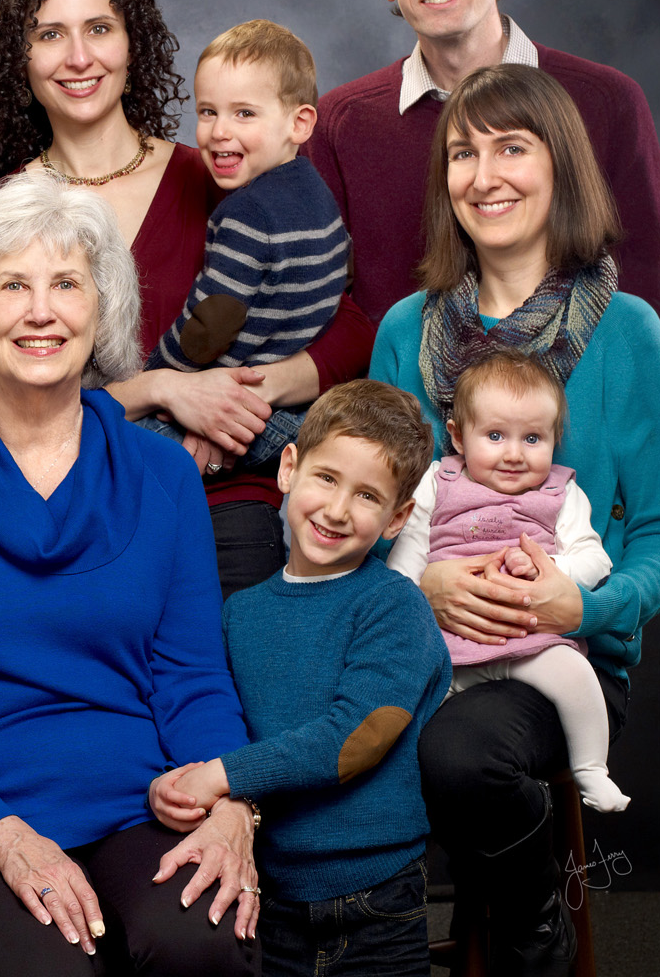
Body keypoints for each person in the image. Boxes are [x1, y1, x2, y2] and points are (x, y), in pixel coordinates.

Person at [0, 173, 261, 977]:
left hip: (143, 804)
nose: (41, 312)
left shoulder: (163, 475)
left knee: (198, 947)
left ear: (101, 307)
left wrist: (232, 805)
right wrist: (6, 840)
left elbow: (192, 676)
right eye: (13, 285)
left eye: (67, 283)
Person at [369, 64, 660, 974]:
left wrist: (578, 607)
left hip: (567, 660)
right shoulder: (407, 330)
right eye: (464, 154)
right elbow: (377, 508)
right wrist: (422, 583)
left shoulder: (627, 331)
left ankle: (531, 937)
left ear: (562, 169)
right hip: (428, 641)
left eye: (512, 147)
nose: (485, 175)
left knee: (460, 754)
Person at [0, 0, 375, 596]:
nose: (79, 57)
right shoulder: (0, 215)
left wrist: (248, 395)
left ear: (134, 44)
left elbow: (348, 326)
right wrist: (163, 392)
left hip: (231, 504)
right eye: (50, 34)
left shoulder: (225, 177)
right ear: (21, 59)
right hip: (80, 508)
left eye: (99, 28)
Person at [307, 0, 660, 362]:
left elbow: (648, 283)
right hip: (406, 422)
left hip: (570, 420)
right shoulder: (340, 123)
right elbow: (322, 304)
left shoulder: (606, 101)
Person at [151, 380, 450, 977]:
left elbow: (356, 737)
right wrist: (179, 781)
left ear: (397, 518)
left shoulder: (393, 606)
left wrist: (222, 775)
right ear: (289, 468)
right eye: (326, 478)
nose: (338, 509)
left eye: (368, 496)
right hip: (272, 893)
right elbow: (219, 721)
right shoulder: (240, 613)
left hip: (377, 895)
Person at [386, 350, 626, 813]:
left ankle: (592, 769)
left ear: (556, 439)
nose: (514, 454)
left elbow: (594, 559)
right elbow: (405, 564)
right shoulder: (438, 481)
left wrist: (551, 571)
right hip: (448, 646)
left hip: (530, 641)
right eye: (495, 436)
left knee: (576, 676)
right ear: (456, 436)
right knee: (400, 709)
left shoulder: (561, 493)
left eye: (533, 438)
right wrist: (421, 596)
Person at [142, 19, 350, 469]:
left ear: (299, 123)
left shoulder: (246, 215)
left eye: (244, 113)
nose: (219, 131)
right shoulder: (316, 193)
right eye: (207, 112)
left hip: (238, 411)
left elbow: (210, 324)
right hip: (299, 414)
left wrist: (157, 375)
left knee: (117, 441)